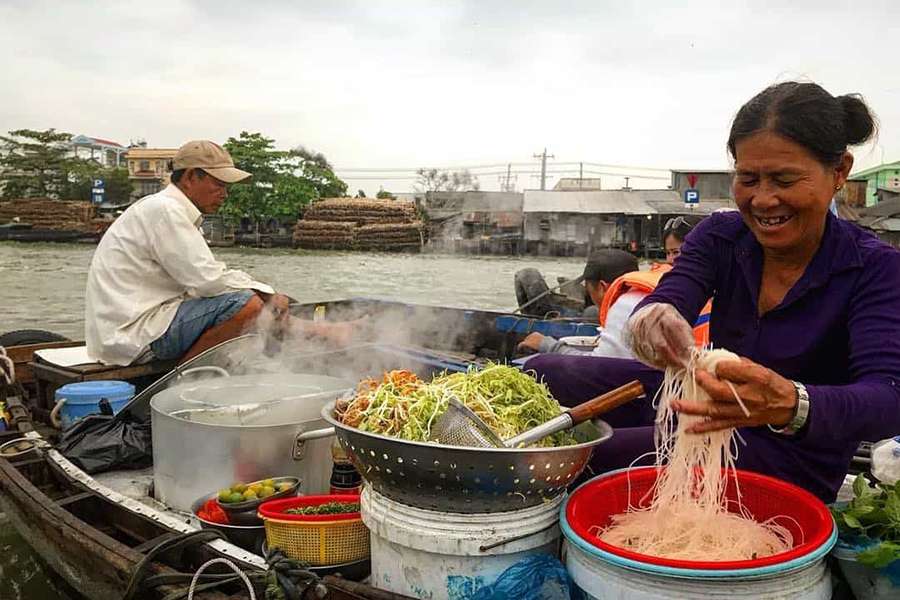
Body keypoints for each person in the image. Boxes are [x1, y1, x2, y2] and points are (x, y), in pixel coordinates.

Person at [530, 81, 900, 503]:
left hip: (789, 454)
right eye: (748, 178)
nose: (762, 200)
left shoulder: (874, 267)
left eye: (784, 179)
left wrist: (792, 402)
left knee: (591, 457)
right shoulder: (723, 236)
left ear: (839, 172)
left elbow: (889, 397)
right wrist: (654, 317)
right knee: (546, 371)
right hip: (704, 402)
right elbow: (674, 293)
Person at [85, 140, 358, 366]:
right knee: (246, 306)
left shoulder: (165, 210)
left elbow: (202, 280)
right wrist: (267, 293)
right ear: (192, 177)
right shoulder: (166, 210)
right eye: (219, 184)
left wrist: (265, 295)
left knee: (254, 302)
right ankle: (181, 381)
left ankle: (326, 332)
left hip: (132, 327)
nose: (225, 194)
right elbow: (208, 281)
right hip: (132, 332)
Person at [516, 250, 639, 358]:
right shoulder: (642, 300)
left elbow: (597, 364)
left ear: (602, 287)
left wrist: (546, 345)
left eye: (588, 286)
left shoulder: (620, 313)